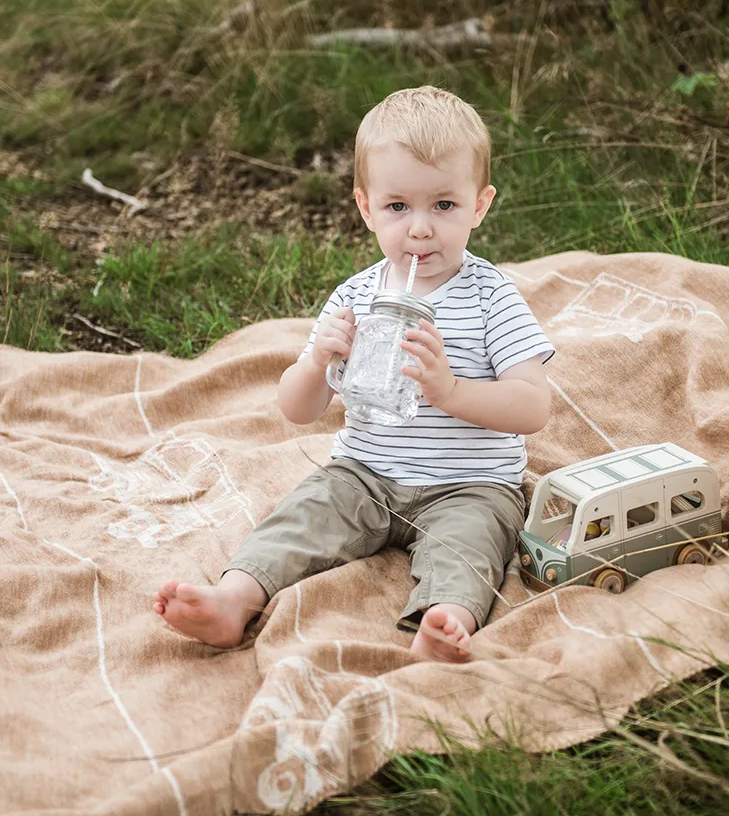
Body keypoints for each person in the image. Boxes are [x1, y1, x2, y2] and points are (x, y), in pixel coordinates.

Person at [154, 86, 554, 663]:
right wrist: (317, 362)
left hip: (469, 482)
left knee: (471, 544)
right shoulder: (357, 296)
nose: (419, 229)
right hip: (365, 472)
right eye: (398, 207)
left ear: (480, 205)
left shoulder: (492, 297)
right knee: (304, 513)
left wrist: (451, 390)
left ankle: (443, 622)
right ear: (366, 208)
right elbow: (297, 409)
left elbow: (532, 406)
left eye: (444, 206)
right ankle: (232, 601)